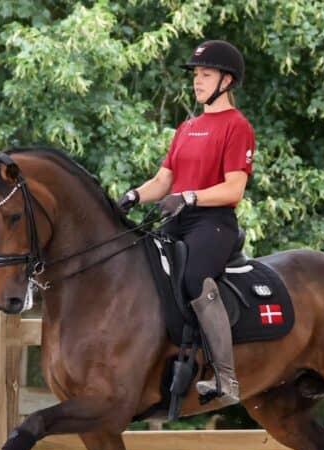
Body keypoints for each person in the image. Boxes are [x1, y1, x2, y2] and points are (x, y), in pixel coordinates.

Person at [118, 40, 255, 405]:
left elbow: (234, 188)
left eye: (205, 75)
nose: (197, 82)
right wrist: (132, 196)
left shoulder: (237, 126)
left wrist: (191, 196)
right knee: (143, 266)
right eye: (196, 75)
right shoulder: (187, 127)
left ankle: (227, 379)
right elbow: (164, 181)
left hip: (212, 223)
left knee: (194, 278)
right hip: (178, 217)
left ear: (226, 81)